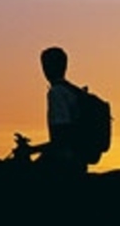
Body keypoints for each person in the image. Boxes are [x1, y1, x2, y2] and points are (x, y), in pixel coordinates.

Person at [16, 46, 88, 177]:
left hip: (63, 162)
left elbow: (61, 140)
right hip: (79, 161)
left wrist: (31, 150)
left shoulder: (57, 93)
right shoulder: (73, 92)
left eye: (46, 65)